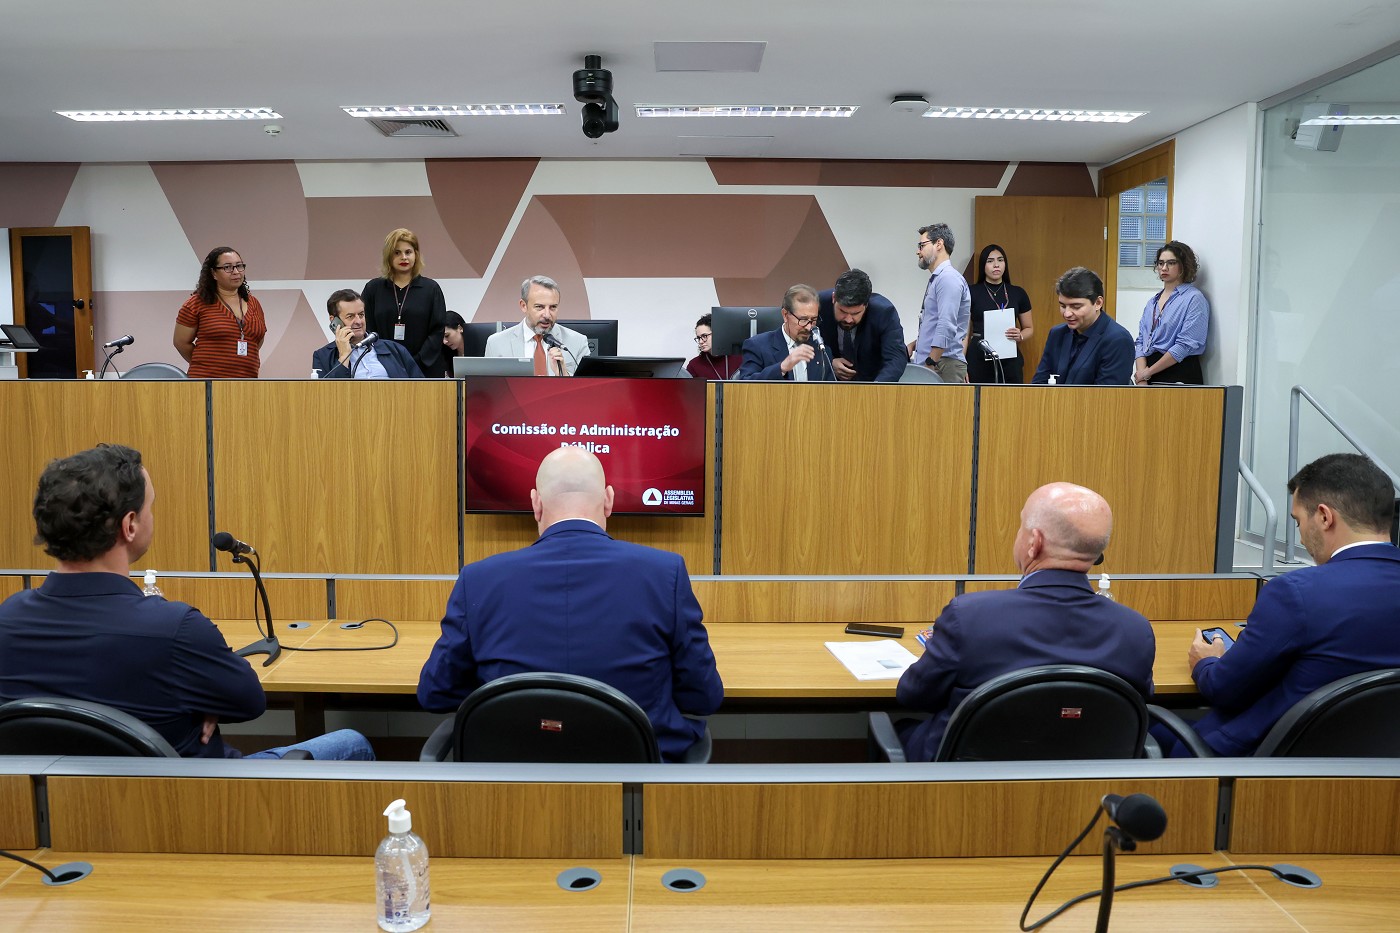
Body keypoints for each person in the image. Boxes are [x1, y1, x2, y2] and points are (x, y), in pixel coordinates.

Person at [0, 444, 374, 761]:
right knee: (351, 744)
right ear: (130, 525)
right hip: (192, 807)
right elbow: (248, 703)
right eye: (150, 507)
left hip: (56, 820)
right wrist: (202, 704)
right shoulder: (174, 629)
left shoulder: (7, 619)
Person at [417, 447, 723, 761]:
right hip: (634, 789)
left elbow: (435, 693)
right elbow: (705, 697)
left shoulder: (478, 579)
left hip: (509, 788)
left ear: (535, 504)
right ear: (609, 501)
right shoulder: (665, 573)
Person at [895, 482, 1156, 761]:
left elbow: (913, 695)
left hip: (967, 783)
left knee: (900, 729)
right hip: (1085, 785)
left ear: (1034, 543)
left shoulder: (969, 616)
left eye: (1021, 526)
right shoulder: (1136, 630)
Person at [1183, 453, 1400, 756]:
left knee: (1150, 733)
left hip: (1267, 766)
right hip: (1376, 767)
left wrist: (1206, 661)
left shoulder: (1296, 593)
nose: (1299, 533)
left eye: (1298, 520)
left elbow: (1224, 689)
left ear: (1324, 517)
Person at [361, 228, 448, 378]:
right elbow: (367, 328)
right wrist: (384, 359)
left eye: (408, 252)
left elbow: (437, 331)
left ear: (416, 255)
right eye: (397, 252)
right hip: (382, 368)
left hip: (424, 369)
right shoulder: (373, 289)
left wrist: (415, 361)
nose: (404, 257)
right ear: (388, 256)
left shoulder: (431, 289)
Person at [173, 246, 267, 378]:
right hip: (207, 383)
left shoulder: (254, 303)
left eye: (239, 266)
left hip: (246, 384)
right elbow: (180, 342)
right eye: (227, 267)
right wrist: (207, 364)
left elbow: (257, 341)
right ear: (213, 273)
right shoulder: (196, 303)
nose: (236, 272)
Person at [1031, 267, 1134, 385]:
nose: (1067, 314)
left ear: (1098, 303)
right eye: (1063, 306)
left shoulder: (1118, 340)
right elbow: (1039, 384)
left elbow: (1107, 398)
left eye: (1076, 306)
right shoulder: (1057, 334)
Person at [1134, 241, 1210, 385]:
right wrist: (1141, 378)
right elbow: (1141, 342)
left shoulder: (1194, 298)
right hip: (1148, 374)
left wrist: (1148, 372)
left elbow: (1185, 345)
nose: (1164, 268)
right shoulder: (1152, 302)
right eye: (1160, 263)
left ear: (1184, 265)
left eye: (1171, 263)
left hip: (1179, 373)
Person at [485, 275, 589, 376]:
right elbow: (489, 390)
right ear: (523, 306)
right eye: (539, 307)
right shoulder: (496, 343)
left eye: (553, 307)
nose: (547, 315)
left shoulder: (578, 342)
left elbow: (587, 391)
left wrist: (563, 375)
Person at [816, 269, 907, 382]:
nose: (848, 320)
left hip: (872, 382)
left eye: (855, 313)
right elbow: (800, 344)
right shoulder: (817, 305)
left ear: (866, 305)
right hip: (826, 386)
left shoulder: (884, 312)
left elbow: (896, 358)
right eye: (843, 311)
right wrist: (828, 361)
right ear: (834, 298)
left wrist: (876, 389)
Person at [312, 289, 423, 379]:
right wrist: (344, 356)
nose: (358, 321)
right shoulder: (322, 356)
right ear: (334, 321)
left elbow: (422, 387)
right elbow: (326, 397)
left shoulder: (395, 349)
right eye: (350, 316)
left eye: (361, 314)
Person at [910, 223, 971, 383]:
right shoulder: (940, 278)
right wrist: (915, 345)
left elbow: (946, 324)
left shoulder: (948, 278)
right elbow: (936, 324)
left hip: (941, 364)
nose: (918, 251)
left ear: (939, 244)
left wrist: (931, 363)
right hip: (938, 362)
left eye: (922, 245)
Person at [737, 284, 836, 381]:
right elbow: (745, 385)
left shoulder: (822, 351)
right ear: (785, 315)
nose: (809, 327)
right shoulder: (758, 345)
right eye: (803, 319)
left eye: (813, 320)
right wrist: (782, 367)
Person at [967, 244, 1035, 384]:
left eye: (1000, 260)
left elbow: (1029, 328)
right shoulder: (971, 292)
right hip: (978, 355)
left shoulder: (1018, 293)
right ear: (983, 265)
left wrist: (1020, 335)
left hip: (1009, 355)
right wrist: (962, 364)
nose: (996, 265)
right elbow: (964, 333)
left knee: (1010, 401)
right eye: (990, 261)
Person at [686, 313, 742, 380]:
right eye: (698, 338)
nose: (701, 341)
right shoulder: (694, 365)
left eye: (704, 336)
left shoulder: (741, 358)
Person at [441, 310, 468, 377]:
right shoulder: (446, 354)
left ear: (460, 328)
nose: (444, 342)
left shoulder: (481, 349)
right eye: (441, 338)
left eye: (447, 335)